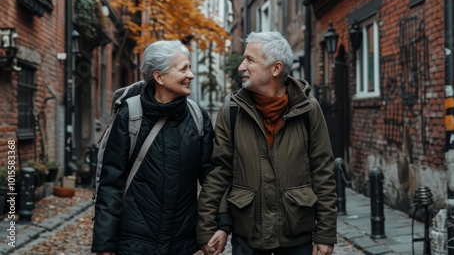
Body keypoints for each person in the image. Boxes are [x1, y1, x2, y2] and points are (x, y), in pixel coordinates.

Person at [197, 31, 337, 255]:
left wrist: (326, 233)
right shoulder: (231, 110)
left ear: (276, 68)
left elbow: (323, 172)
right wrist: (208, 228)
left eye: (250, 60)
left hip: (296, 237)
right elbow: (219, 173)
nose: (241, 66)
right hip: (248, 238)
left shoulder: (308, 109)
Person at [91, 40, 231, 255]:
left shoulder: (197, 117)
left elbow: (212, 177)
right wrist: (104, 244)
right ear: (159, 77)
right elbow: (111, 183)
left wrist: (220, 225)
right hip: (134, 242)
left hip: (182, 242)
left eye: (190, 68)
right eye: (183, 69)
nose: (191, 75)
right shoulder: (130, 115)